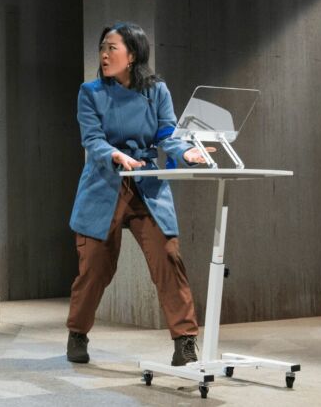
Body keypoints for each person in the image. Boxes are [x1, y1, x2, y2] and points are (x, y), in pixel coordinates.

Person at [66, 22, 214, 366]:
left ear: (132, 55)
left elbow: (167, 133)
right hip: (104, 185)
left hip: (147, 184)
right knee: (95, 269)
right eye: (102, 48)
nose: (104, 55)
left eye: (112, 48)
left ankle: (185, 341)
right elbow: (92, 139)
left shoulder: (156, 90)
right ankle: (77, 332)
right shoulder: (90, 92)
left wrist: (185, 151)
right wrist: (115, 155)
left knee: (168, 258)